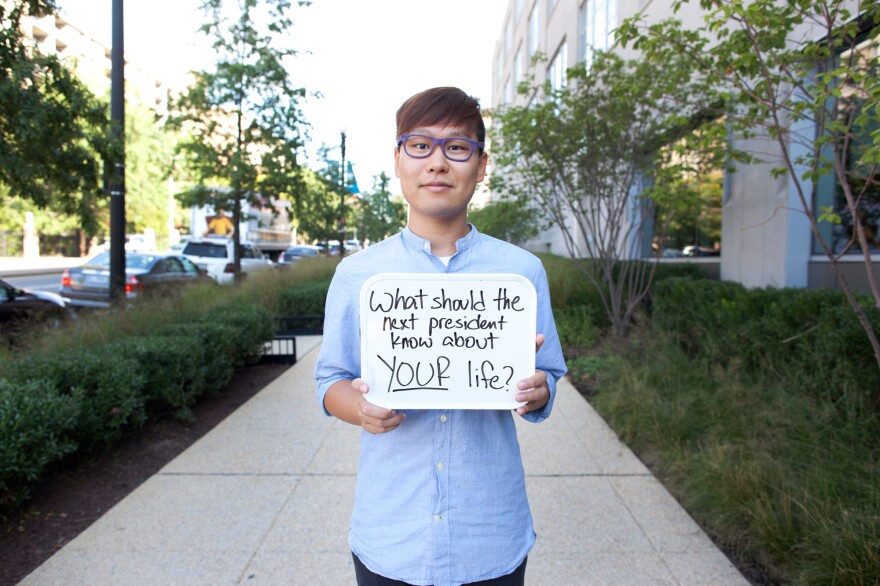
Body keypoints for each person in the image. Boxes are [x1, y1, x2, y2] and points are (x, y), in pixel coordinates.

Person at [313, 87, 567, 586]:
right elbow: (330, 380)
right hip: (391, 535)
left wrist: (539, 390)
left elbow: (549, 376)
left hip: (490, 534)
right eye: (420, 145)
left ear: (481, 164)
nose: (437, 163)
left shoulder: (521, 273)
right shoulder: (357, 274)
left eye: (456, 147)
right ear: (398, 159)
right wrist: (359, 408)